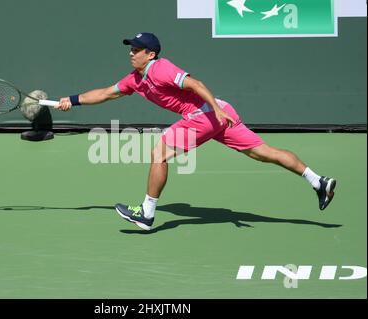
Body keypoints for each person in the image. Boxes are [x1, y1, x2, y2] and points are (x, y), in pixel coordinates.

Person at [57, 32, 337, 231]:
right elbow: (106, 93)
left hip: (206, 114)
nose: (131, 53)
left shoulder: (160, 68)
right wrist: (73, 99)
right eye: (130, 48)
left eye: (136, 49)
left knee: (159, 153)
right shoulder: (135, 79)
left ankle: (146, 214)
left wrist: (214, 109)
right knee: (263, 154)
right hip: (216, 115)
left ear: (150, 54)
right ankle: (318, 181)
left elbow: (196, 84)